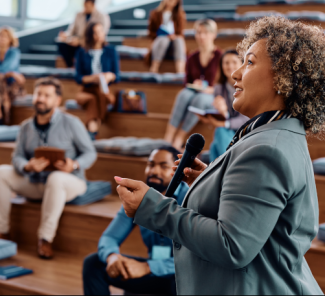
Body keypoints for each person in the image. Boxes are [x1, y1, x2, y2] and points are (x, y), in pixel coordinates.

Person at [115, 16, 325, 295]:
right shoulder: (278, 136)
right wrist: (212, 185)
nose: (235, 74)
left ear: (283, 78)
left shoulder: (267, 149)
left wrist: (152, 208)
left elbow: (231, 246)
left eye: (249, 62)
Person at [0, 77, 97, 259]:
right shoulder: (25, 127)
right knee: (1, 172)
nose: (41, 99)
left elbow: (90, 153)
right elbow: (17, 158)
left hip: (70, 181)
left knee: (56, 177)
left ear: (57, 100)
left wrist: (73, 164)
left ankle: (45, 238)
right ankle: (3, 233)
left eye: (47, 95)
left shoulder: (72, 122)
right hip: (36, 183)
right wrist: (27, 166)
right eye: (38, 94)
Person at [83, 146, 189, 295]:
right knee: (93, 264)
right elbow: (110, 237)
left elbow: (195, 261)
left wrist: (147, 267)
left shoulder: (190, 199)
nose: (154, 171)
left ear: (177, 172)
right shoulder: (137, 199)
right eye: (151, 164)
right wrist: (112, 257)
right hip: (153, 270)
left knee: (180, 282)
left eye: (163, 166)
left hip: (181, 276)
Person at [164, 19, 222, 150]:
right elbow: (186, 82)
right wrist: (194, 84)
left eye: (206, 32)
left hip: (211, 95)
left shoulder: (220, 56)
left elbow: (224, 84)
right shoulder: (192, 57)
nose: (201, 36)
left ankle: (179, 137)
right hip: (194, 92)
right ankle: (168, 137)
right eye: (199, 32)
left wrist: (211, 89)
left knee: (200, 99)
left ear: (213, 34)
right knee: (183, 95)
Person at [197, 50, 248, 162]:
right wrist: (222, 113)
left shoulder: (247, 87)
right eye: (226, 63)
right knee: (214, 146)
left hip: (243, 132)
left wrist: (223, 123)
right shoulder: (219, 88)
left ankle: (229, 166)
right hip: (227, 133)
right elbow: (223, 117)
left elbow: (246, 119)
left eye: (234, 62)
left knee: (219, 132)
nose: (230, 66)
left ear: (241, 64)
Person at [75, 22, 120, 140]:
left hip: (103, 89)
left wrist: (109, 76)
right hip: (86, 90)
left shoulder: (111, 50)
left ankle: (92, 132)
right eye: (96, 32)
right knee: (92, 99)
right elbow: (78, 78)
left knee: (98, 96)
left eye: (101, 31)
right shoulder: (82, 52)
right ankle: (94, 129)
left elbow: (117, 76)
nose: (100, 34)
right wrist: (93, 78)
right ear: (90, 35)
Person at [57, 0, 111, 68]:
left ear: (93, 5)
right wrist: (67, 37)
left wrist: (81, 41)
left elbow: (101, 35)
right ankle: (71, 66)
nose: (85, 8)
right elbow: (71, 31)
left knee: (84, 49)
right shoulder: (79, 15)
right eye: (84, 6)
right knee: (61, 44)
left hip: (92, 43)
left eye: (88, 6)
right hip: (77, 42)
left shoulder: (102, 16)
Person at [148, 0, 186, 74]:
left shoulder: (180, 15)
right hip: (160, 40)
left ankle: (180, 71)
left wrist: (173, 36)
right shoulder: (155, 14)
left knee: (179, 40)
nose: (170, 1)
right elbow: (151, 32)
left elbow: (180, 33)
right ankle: (154, 68)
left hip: (174, 42)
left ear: (176, 3)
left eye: (173, 0)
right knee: (164, 39)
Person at [0, 27, 26, 124]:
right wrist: (11, 74)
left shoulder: (14, 52)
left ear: (10, 39)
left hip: (12, 87)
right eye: (0, 36)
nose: (2, 38)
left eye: (5, 36)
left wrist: (9, 73)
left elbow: (6, 68)